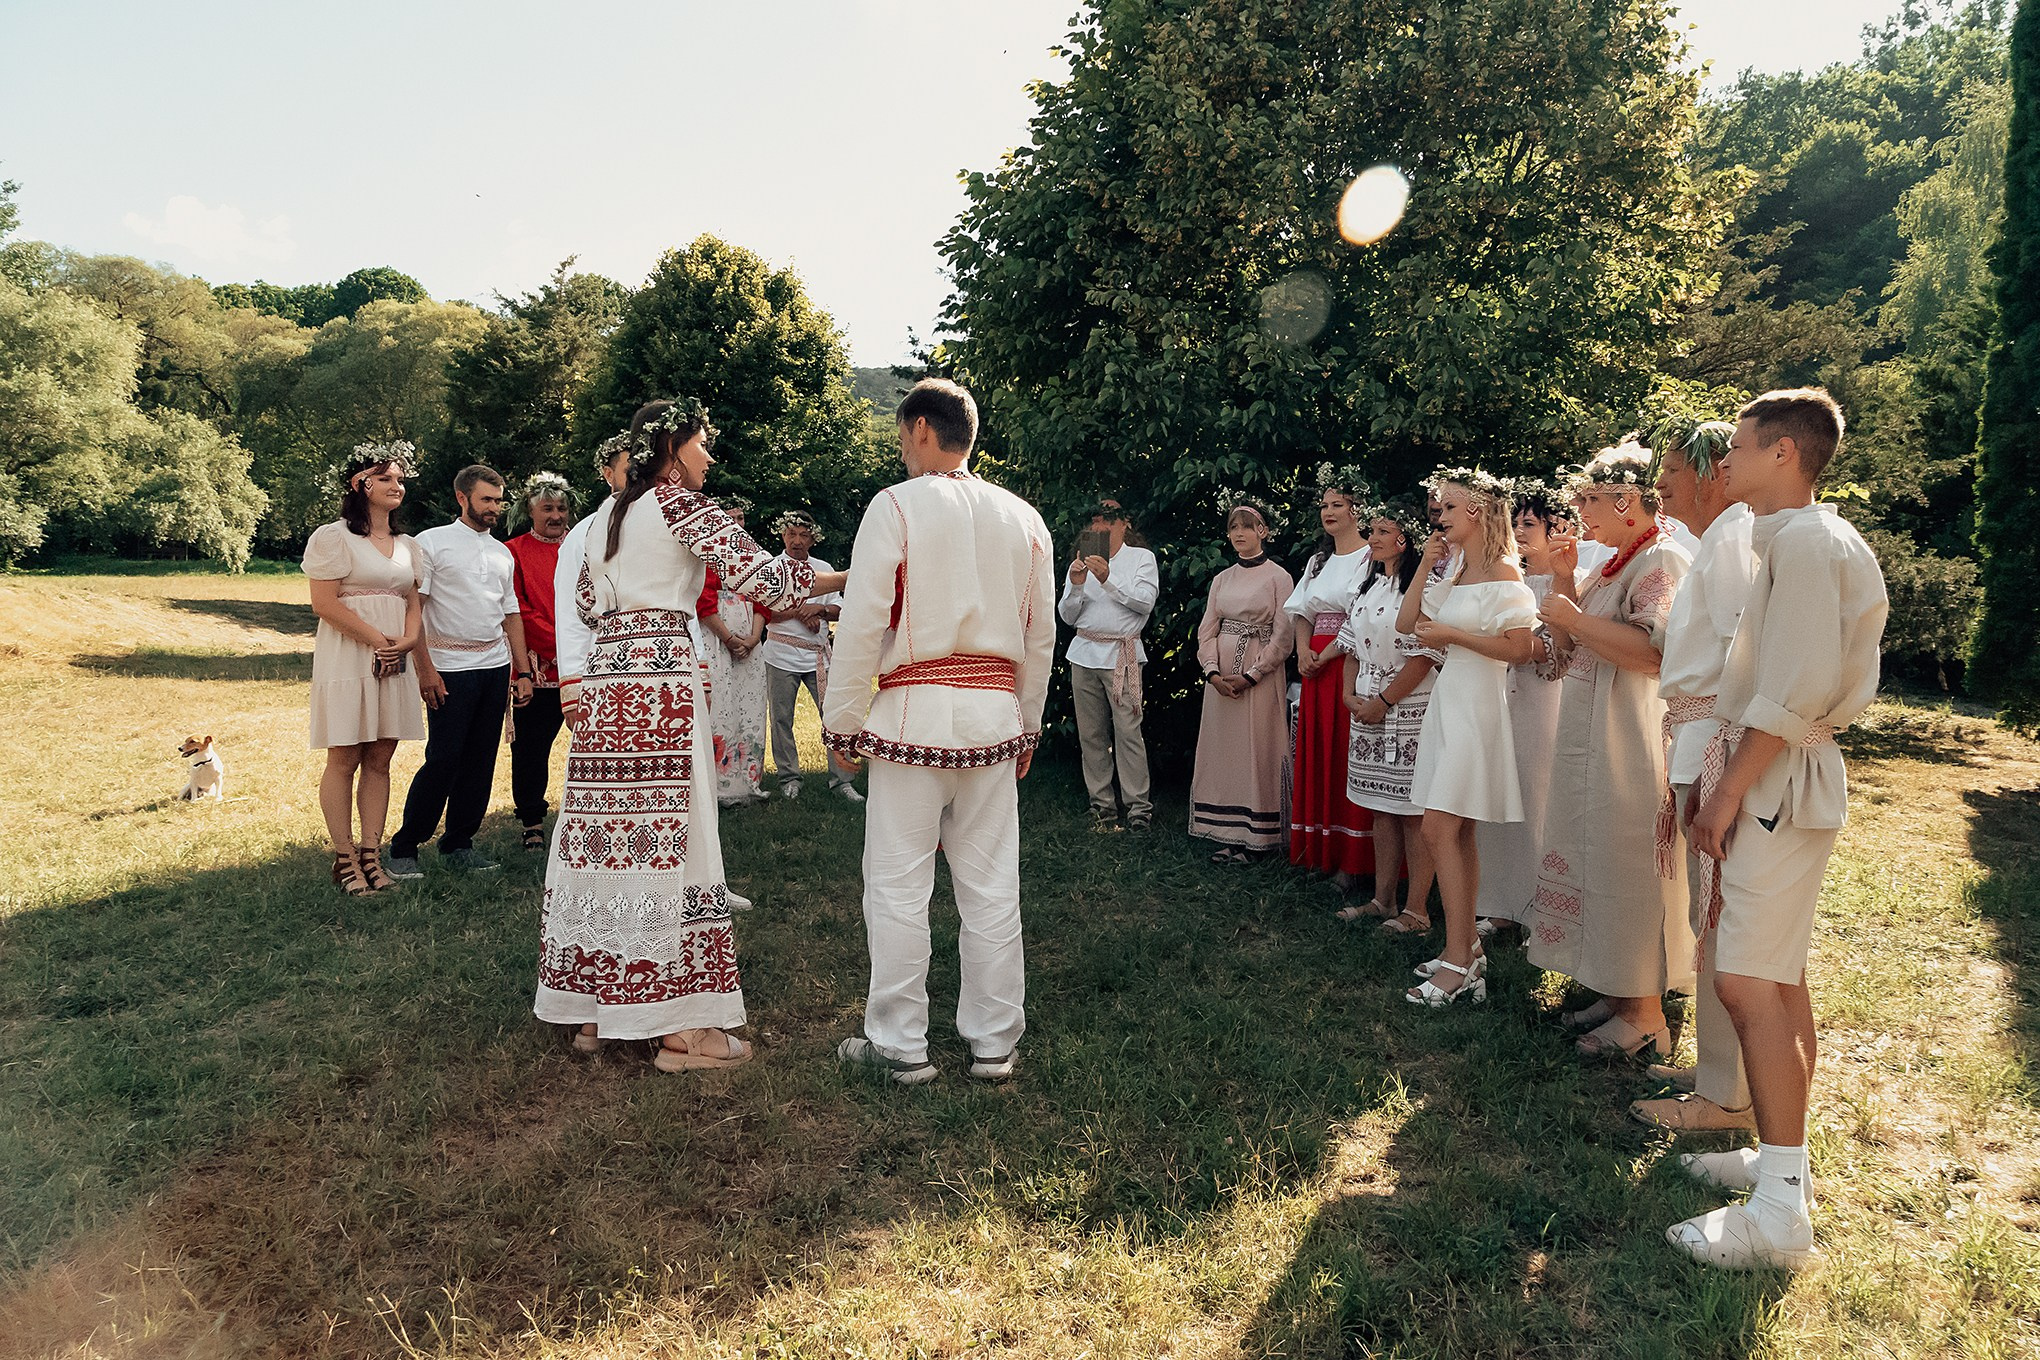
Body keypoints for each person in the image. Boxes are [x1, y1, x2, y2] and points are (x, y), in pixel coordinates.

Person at [536, 399, 846, 1070]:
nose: (709, 458)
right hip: (660, 681)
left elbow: (589, 603)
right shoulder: (680, 505)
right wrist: (857, 575)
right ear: (673, 446)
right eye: (703, 445)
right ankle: (684, 1032)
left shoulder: (608, 516)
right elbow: (765, 579)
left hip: (611, 677)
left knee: (610, 840)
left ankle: (596, 1013)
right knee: (676, 838)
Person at [1668, 389, 1886, 1269]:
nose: (1726, 465)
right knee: (1779, 977)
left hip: (1775, 782)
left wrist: (1725, 795)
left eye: (1742, 450)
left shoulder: (1804, 542)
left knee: (1745, 984)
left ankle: (1780, 1214)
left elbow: (1792, 691)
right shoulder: (1794, 540)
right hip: (1781, 775)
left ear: (1786, 454)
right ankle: (1779, 1164)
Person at [824, 379, 1056, 1084]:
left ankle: (899, 1043)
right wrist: (1029, 726)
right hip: (992, 718)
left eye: (901, 437)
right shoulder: (1024, 517)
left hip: (913, 712)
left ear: (922, 429)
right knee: (990, 883)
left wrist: (842, 719)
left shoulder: (894, 505)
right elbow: (1039, 633)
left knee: (896, 882)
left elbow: (864, 618)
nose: (901, 451)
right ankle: (992, 1042)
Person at [1527, 444, 1694, 1057]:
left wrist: (1574, 611)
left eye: (1590, 499)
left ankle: (1646, 1014)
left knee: (1626, 860)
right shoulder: (1616, 563)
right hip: (1590, 728)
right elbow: (1578, 641)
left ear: (1627, 501)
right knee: (1593, 851)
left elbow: (1656, 654)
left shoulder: (1663, 559)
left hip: (1630, 736)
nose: (1579, 510)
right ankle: (1619, 989)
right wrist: (1569, 582)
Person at [1633, 420, 1759, 1134]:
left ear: (1714, 472)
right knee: (1706, 915)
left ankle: (1729, 1095)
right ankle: (1715, 1067)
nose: (1663, 487)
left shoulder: (1738, 539)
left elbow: (1746, 650)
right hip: (1697, 734)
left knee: (1724, 919)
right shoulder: (1713, 541)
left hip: (1718, 736)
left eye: (1673, 471)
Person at [1399, 470, 1539, 1005]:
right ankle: (1466, 950)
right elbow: (1408, 624)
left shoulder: (1506, 572)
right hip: (1448, 702)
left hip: (1477, 706)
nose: (1440, 518)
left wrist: (1454, 634)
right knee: (1456, 832)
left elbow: (1521, 648)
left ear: (1476, 512)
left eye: (1448, 510)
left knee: (1437, 828)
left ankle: (1460, 958)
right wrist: (1426, 567)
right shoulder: (1454, 569)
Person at [386, 465, 533, 877]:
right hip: (448, 667)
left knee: (481, 759)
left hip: (494, 666)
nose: (494, 508)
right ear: (462, 498)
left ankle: (459, 843)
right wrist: (426, 671)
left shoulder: (501, 552)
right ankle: (405, 845)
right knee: (444, 758)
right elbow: (415, 611)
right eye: (486, 499)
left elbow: (511, 613)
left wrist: (522, 672)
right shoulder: (431, 544)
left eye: (499, 500)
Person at [303, 441, 426, 895]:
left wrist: (408, 641)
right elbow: (323, 602)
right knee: (345, 755)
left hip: (394, 655)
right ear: (361, 484)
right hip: (351, 654)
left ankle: (372, 855)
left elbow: (413, 601)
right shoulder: (333, 537)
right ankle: (344, 857)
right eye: (387, 477)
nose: (398, 485)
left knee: (380, 756)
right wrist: (377, 641)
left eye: (400, 478)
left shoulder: (407, 546)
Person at [1470, 480, 1572, 936]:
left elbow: (1559, 653)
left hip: (1544, 700)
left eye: (1530, 522)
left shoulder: (1568, 582)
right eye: (1517, 521)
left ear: (1558, 529)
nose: (1519, 529)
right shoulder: (1508, 577)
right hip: (1498, 694)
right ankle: (1498, 902)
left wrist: (1507, 645)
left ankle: (1539, 905)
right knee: (1497, 797)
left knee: (1535, 796)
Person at [1333, 498, 1440, 926]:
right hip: (1367, 707)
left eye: (1380, 531)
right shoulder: (1369, 585)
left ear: (1404, 539)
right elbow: (1350, 647)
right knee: (1381, 807)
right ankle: (1383, 900)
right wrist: (1348, 695)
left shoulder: (1424, 587)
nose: (1372, 539)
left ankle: (1417, 910)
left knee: (1412, 813)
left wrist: (1384, 701)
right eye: (1372, 530)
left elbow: (1426, 655)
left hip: (1408, 708)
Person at [1282, 470, 1376, 887]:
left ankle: (1352, 859)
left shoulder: (1370, 557)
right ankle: (1317, 850)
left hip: (1348, 661)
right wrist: (1304, 651)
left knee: (1345, 754)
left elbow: (1361, 615)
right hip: (1315, 662)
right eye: (1324, 505)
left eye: (1338, 504)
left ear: (1358, 510)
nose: (1329, 511)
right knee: (1318, 749)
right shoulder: (1317, 561)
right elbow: (1302, 611)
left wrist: (1326, 653)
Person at [1188, 504, 1296, 860]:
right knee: (1225, 749)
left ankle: (1259, 834)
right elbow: (1207, 629)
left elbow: (1283, 635)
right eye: (1233, 527)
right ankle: (1225, 831)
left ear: (1263, 531)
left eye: (1247, 527)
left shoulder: (1279, 577)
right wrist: (1212, 672)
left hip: (1259, 675)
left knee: (1258, 746)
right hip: (1221, 678)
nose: (1239, 533)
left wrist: (1254, 674)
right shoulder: (1222, 579)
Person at [1059, 498, 1160, 832]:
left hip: (1122, 654)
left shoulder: (1141, 559)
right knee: (1091, 735)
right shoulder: (1082, 560)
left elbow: (1144, 604)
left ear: (1125, 522)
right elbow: (1067, 616)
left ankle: (1138, 810)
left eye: (1110, 517)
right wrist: (1076, 585)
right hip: (1084, 653)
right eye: (1096, 517)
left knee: (1129, 731)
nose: (1102, 523)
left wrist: (1107, 579)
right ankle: (1101, 807)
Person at [760, 508, 859, 801]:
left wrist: (820, 609)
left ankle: (842, 780)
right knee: (781, 718)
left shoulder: (823, 567)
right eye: (792, 534)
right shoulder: (772, 567)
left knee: (833, 715)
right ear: (783, 535)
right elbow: (764, 611)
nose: (797, 540)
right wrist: (801, 613)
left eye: (804, 535)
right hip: (780, 654)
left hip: (817, 655)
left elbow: (840, 609)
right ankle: (789, 778)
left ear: (813, 539)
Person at [505, 471, 575, 852]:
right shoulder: (513, 551)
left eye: (561, 508)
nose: (555, 515)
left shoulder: (582, 547)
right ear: (530, 510)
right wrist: (558, 646)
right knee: (531, 750)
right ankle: (532, 820)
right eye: (547, 507)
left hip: (582, 665)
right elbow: (519, 610)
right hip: (536, 668)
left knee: (592, 745)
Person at [698, 496, 771, 806]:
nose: (737, 524)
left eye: (741, 518)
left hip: (749, 639)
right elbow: (701, 601)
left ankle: (749, 781)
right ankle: (720, 786)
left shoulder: (755, 557)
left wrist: (754, 638)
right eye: (730, 518)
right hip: (716, 638)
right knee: (721, 707)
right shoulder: (704, 557)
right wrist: (728, 638)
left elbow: (764, 597)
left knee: (750, 707)